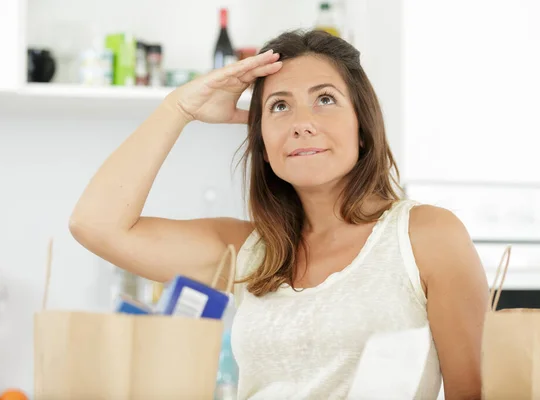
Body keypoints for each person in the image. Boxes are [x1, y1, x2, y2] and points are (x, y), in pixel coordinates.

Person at [69, 29, 489, 399]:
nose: (302, 123)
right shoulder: (246, 251)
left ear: (362, 126)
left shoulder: (426, 236)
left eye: (325, 99)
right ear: (263, 145)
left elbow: (471, 393)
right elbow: (96, 225)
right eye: (279, 107)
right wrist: (178, 108)